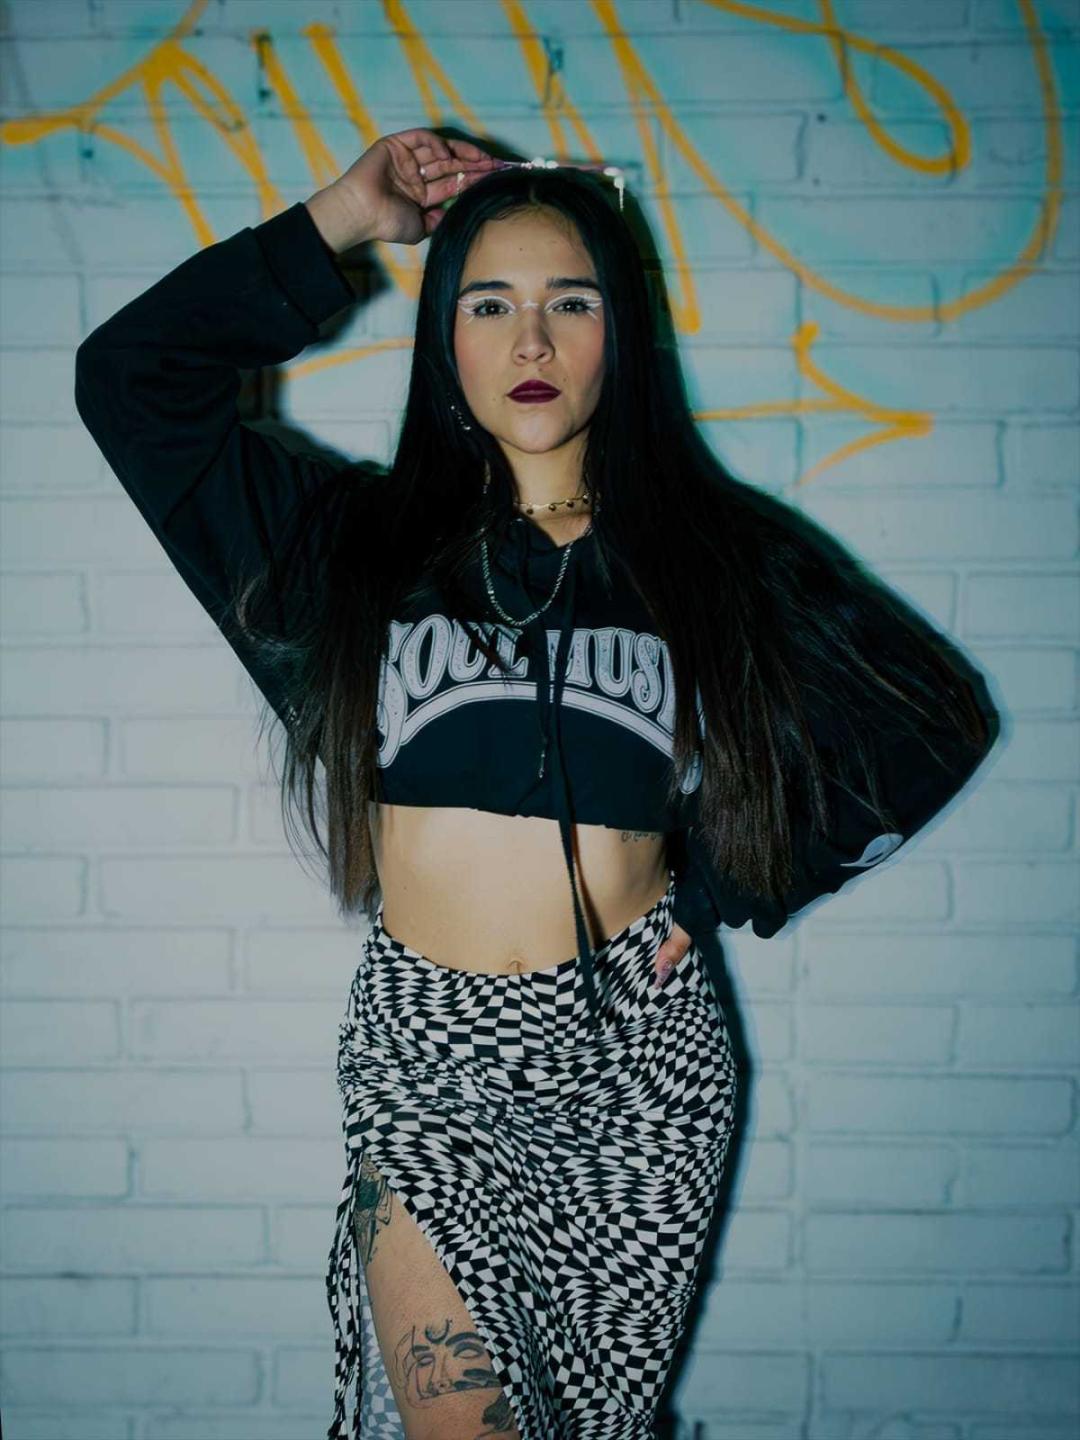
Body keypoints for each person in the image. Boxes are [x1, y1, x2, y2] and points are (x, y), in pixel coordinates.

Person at [74, 127, 998, 1440]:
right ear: (442, 339)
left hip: (641, 1072)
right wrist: (347, 214)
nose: (532, 341)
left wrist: (720, 886)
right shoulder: (347, 548)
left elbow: (934, 717)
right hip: (429, 1065)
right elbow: (130, 378)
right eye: (488, 304)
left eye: (572, 302)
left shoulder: (706, 552)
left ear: (620, 333)